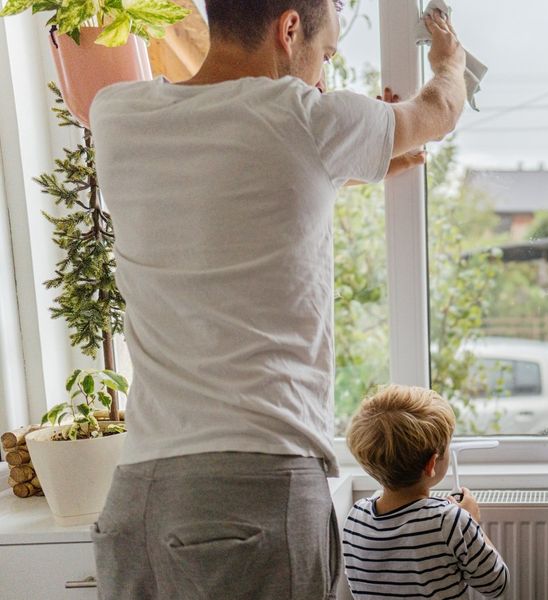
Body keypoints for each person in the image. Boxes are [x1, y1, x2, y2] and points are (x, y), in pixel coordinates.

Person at [86, 1, 468, 597]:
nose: (323, 76)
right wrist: (450, 59)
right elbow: (439, 110)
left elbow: (221, 201)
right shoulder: (305, 116)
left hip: (138, 494)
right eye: (327, 54)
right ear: (289, 30)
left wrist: (335, 169)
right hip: (253, 486)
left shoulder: (116, 116)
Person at [343, 386, 508, 599]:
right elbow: (497, 584)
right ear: (431, 464)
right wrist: (472, 523)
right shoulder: (449, 521)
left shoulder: (355, 518)